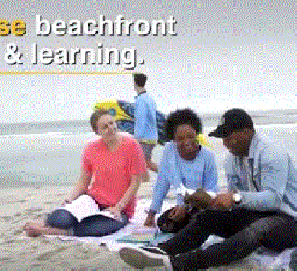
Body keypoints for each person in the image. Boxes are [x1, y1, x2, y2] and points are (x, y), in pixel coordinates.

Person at [119, 108, 297, 271]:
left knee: (254, 231)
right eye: (222, 137)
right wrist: (210, 201)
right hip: (259, 215)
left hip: (289, 223)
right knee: (208, 217)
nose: (224, 143)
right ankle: (161, 251)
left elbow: (273, 200)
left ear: (247, 132)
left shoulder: (271, 154)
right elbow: (237, 203)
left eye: (228, 136)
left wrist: (235, 198)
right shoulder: (232, 160)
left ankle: (180, 264)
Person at [23, 109, 146, 237]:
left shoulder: (132, 145)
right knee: (60, 219)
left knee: (96, 228)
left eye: (111, 123)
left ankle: (49, 231)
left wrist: (119, 207)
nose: (110, 128)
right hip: (93, 202)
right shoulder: (91, 149)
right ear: (97, 132)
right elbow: (84, 181)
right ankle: (47, 223)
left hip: (120, 208)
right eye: (105, 127)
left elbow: (135, 182)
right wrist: (71, 198)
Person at [143, 108, 218, 228]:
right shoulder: (169, 151)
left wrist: (186, 207)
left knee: (197, 224)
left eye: (190, 136)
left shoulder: (208, 156)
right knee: (163, 223)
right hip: (181, 208)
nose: (187, 142)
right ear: (173, 140)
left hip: (202, 208)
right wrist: (151, 214)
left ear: (196, 133)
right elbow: (162, 184)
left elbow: (211, 192)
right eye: (180, 139)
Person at [132, 73, 159, 177]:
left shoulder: (141, 100)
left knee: (141, 163)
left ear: (135, 83)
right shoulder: (149, 98)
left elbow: (141, 120)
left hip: (145, 138)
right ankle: (168, 176)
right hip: (152, 136)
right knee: (146, 162)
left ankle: (169, 176)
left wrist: (137, 138)